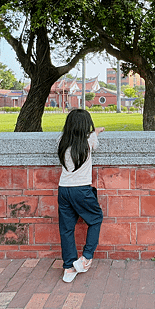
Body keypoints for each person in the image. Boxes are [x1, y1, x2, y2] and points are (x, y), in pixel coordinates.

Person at [57, 109, 105, 283]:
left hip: (63, 189)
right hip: (81, 190)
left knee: (67, 228)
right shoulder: (88, 142)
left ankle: (69, 268)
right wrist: (97, 131)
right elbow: (94, 136)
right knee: (95, 218)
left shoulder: (61, 142)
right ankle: (85, 258)